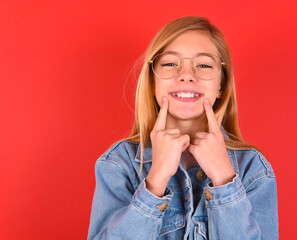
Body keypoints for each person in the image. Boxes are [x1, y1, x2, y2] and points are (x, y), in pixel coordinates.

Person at [87, 16, 278, 240]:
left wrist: (224, 178)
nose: (186, 75)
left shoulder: (253, 169)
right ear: (152, 81)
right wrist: (155, 181)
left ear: (221, 85)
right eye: (170, 64)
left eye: (204, 65)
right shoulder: (119, 164)